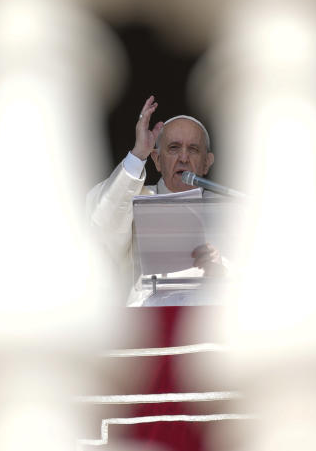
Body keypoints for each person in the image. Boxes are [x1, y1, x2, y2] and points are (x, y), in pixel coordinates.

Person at [87, 95, 225, 303]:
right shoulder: (135, 197)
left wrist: (221, 268)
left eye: (193, 149)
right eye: (174, 148)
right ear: (156, 160)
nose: (184, 158)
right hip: (149, 321)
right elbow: (102, 223)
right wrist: (137, 155)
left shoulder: (228, 208)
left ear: (207, 163)